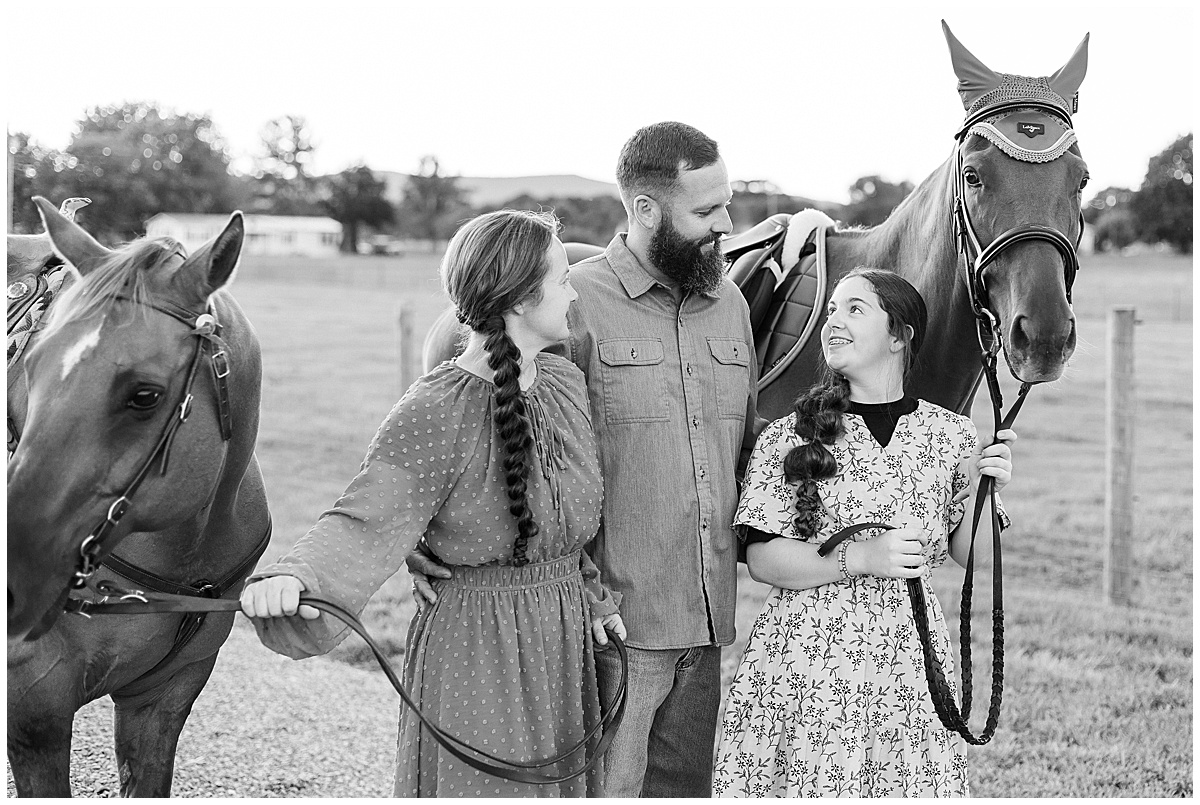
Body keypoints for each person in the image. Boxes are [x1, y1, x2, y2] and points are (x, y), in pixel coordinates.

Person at [409, 121, 760, 797]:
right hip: (609, 626)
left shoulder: (732, 305)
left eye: (727, 202)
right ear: (647, 210)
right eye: (707, 210)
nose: (726, 224)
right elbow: (483, 426)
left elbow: (746, 446)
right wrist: (420, 531)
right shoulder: (567, 304)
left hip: (710, 622)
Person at [241, 209, 625, 798]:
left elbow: (562, 529)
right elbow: (364, 518)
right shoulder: (437, 409)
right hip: (479, 647)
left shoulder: (562, 383)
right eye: (562, 278)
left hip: (561, 639)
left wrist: (594, 602)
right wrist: (295, 577)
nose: (574, 291)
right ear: (521, 298)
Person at [712, 268, 1016, 797]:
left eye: (855, 309)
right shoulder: (789, 434)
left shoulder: (950, 435)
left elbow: (974, 555)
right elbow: (762, 560)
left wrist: (987, 487)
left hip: (910, 661)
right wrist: (860, 558)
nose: (834, 321)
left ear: (899, 336)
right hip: (807, 662)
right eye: (832, 309)